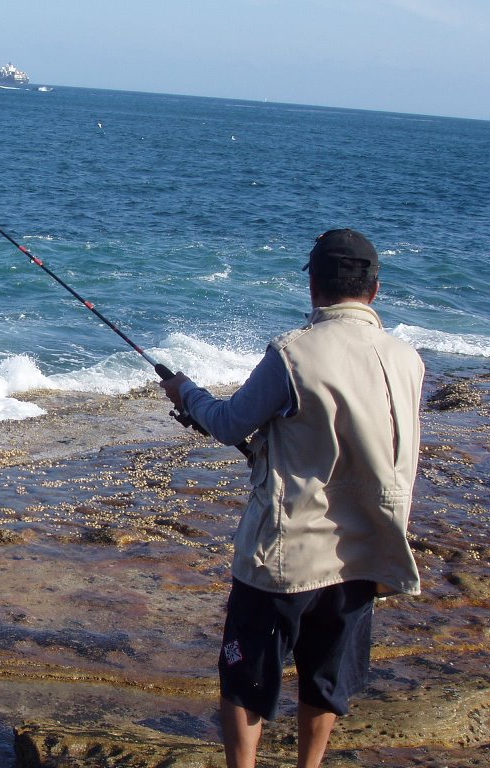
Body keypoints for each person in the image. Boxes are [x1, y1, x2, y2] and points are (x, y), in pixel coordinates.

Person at [160, 229, 424, 768]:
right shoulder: (408, 360)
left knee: (246, 679)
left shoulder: (292, 354)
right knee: (325, 678)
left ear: (314, 286)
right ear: (374, 290)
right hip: (366, 551)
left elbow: (229, 421)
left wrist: (186, 392)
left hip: (287, 554)